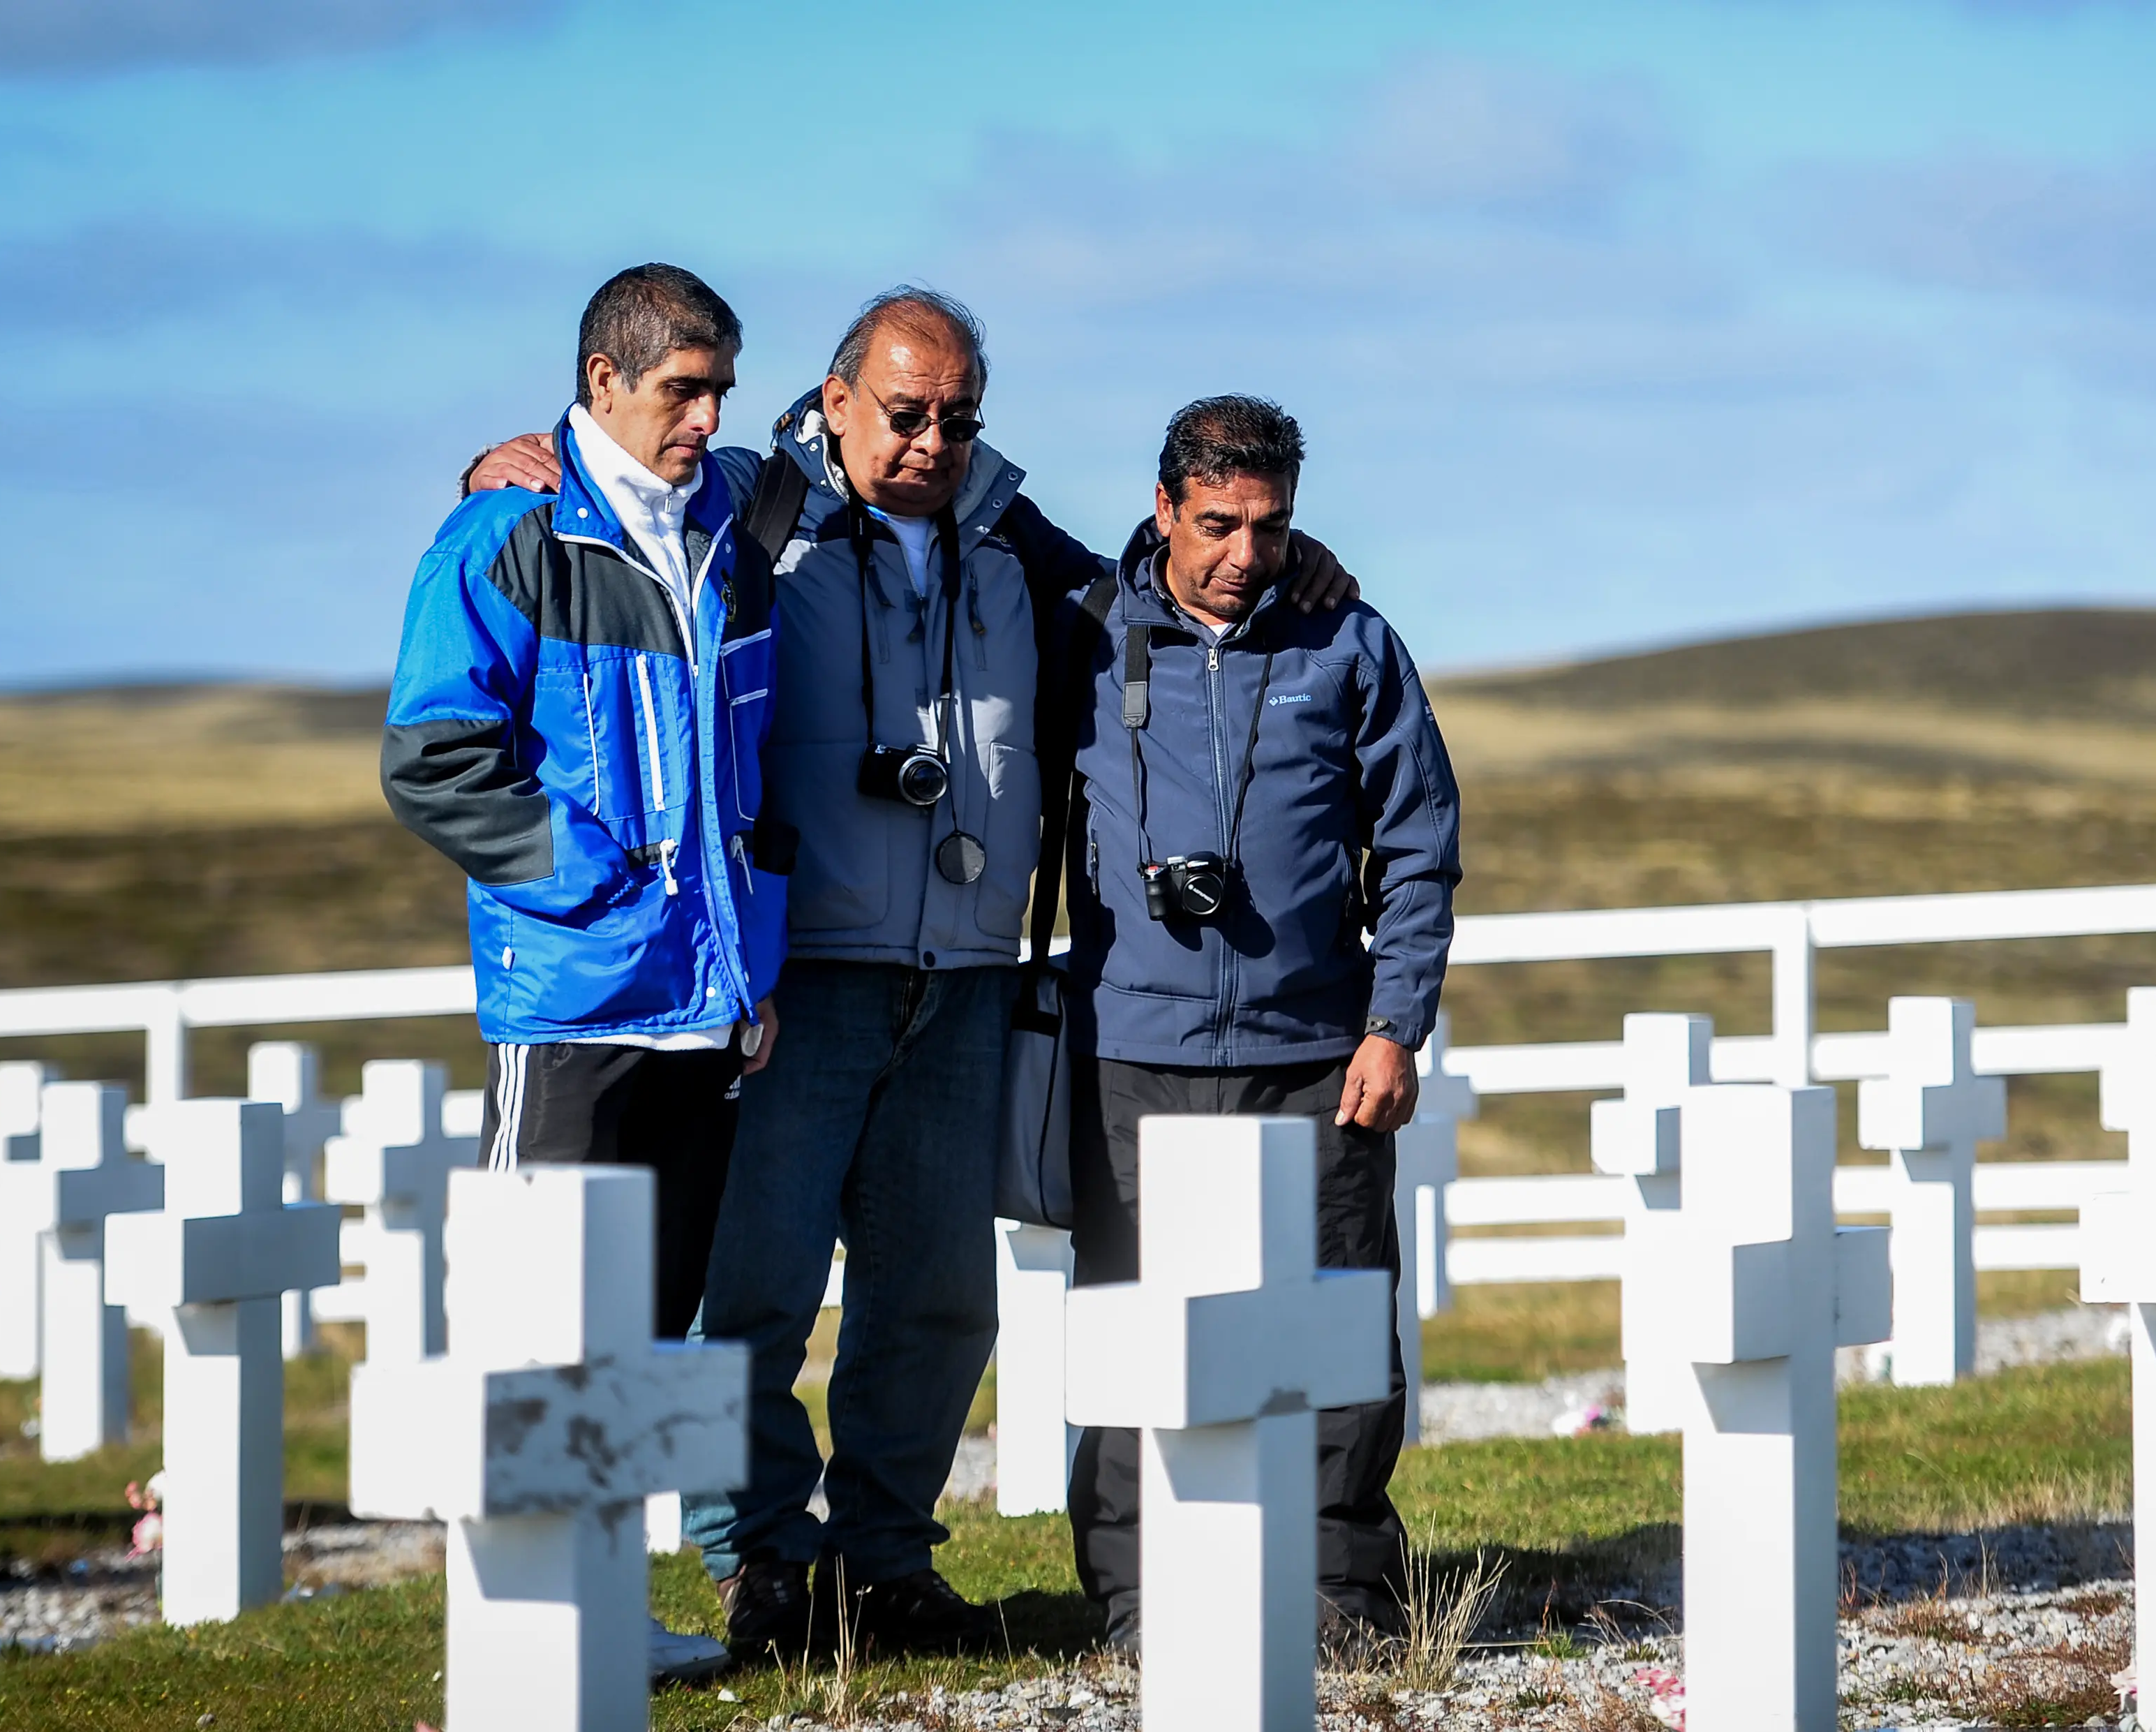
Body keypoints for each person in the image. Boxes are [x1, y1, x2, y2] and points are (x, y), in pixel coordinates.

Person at [458, 288, 1359, 1661]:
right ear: (832, 402)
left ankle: (884, 1564)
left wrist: (1284, 561)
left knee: (940, 1296)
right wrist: (497, 461)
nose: (932, 439)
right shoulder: (744, 512)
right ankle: (763, 1562)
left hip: (965, 980)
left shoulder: (1011, 537)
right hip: (793, 981)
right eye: (904, 412)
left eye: (958, 416)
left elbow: (1144, 591)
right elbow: (604, 495)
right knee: (747, 1293)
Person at [380, 262, 789, 1685]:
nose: (708, 415)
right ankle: (512, 1638)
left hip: (708, 1008)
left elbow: (847, 438)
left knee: (640, 1327)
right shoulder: (504, 537)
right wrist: (600, 885)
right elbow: (435, 756)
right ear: (603, 382)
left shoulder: (734, 519)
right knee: (534, 1323)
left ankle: (603, 1611)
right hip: (572, 1006)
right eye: (684, 388)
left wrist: (751, 951)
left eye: (722, 388)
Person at [1055, 395, 1463, 1650]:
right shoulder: (1075, 632)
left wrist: (1396, 1024)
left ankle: (1343, 1594)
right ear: (1164, 506)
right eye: (1218, 524)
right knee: (1129, 1329)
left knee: (1342, 1324)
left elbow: (1419, 844)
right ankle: (1135, 1601)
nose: (1245, 555)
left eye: (1271, 527)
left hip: (1318, 1052)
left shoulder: (1351, 641)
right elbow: (940, 499)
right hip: (1134, 1049)